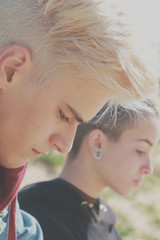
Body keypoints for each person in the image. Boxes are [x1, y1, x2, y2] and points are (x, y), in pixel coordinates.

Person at [0, 0, 159, 239]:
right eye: (64, 115)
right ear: (11, 70)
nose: (64, 145)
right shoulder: (44, 212)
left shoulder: (24, 228)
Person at [19, 100, 160, 240]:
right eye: (141, 150)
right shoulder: (40, 216)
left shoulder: (104, 217)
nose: (149, 168)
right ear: (98, 143)